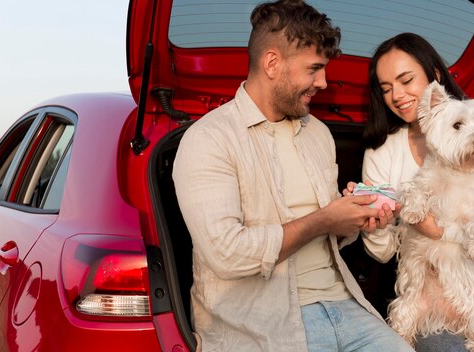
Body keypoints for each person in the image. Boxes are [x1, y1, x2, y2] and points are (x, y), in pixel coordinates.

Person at [172, 1, 413, 351]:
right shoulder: (209, 139)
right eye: (314, 69)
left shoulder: (317, 133)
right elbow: (227, 253)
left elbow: (331, 233)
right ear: (272, 63)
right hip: (263, 325)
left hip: (345, 305)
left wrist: (353, 218)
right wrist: (323, 219)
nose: (324, 82)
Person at [345, 33, 474, 351]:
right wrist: (378, 221)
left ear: (435, 77)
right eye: (386, 89)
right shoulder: (382, 152)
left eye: (406, 80)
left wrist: (442, 230)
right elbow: (383, 252)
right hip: (424, 276)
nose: (397, 95)